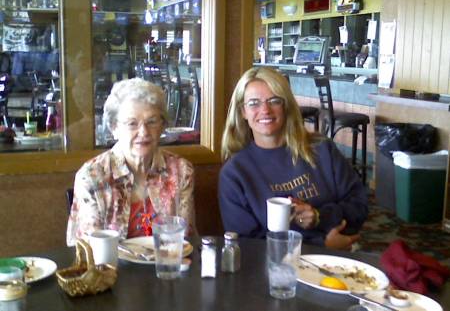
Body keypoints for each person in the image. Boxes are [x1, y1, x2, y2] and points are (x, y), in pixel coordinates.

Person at [219, 67, 367, 250]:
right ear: (243, 112)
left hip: (338, 260)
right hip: (275, 271)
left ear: (286, 106)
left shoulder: (323, 150)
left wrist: (319, 216)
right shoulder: (235, 173)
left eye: (274, 101)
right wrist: (321, 246)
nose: (265, 110)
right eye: (254, 103)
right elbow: (246, 246)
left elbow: (359, 206)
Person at [67, 78, 196, 246]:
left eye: (152, 122)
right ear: (114, 128)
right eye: (132, 123)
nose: (143, 132)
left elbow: (185, 240)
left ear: (163, 126)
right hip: (110, 269)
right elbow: (88, 249)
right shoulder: (92, 176)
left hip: (166, 268)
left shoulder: (180, 170)